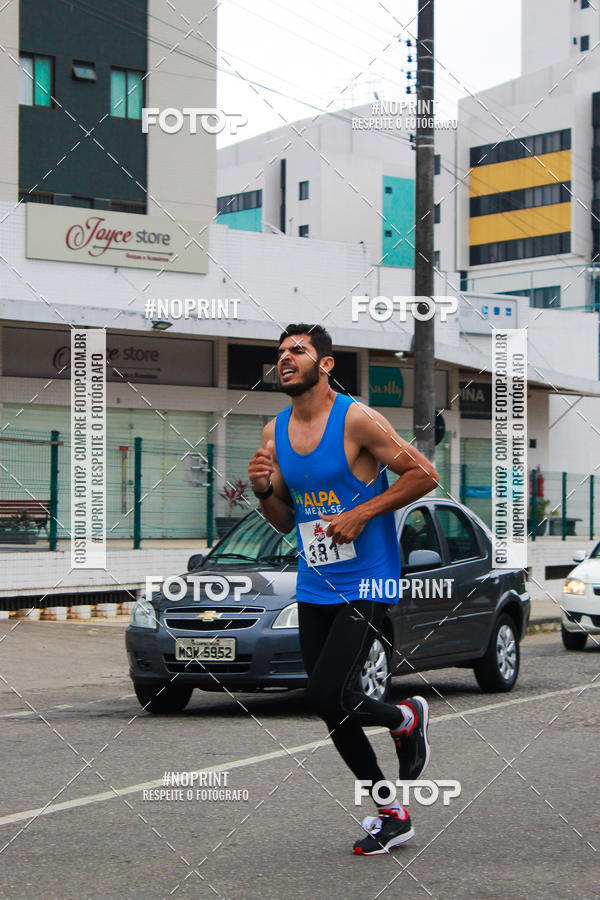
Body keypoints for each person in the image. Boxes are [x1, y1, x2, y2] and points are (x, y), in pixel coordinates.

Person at [248, 323, 439, 855]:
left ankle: (405, 717)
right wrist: (265, 489)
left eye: (298, 351)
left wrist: (361, 511)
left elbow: (424, 473)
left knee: (325, 693)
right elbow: (285, 521)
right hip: (316, 582)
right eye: (281, 352)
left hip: (369, 578)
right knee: (331, 706)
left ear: (325, 364)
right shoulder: (274, 430)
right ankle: (391, 810)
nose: (285, 358)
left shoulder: (357, 418)